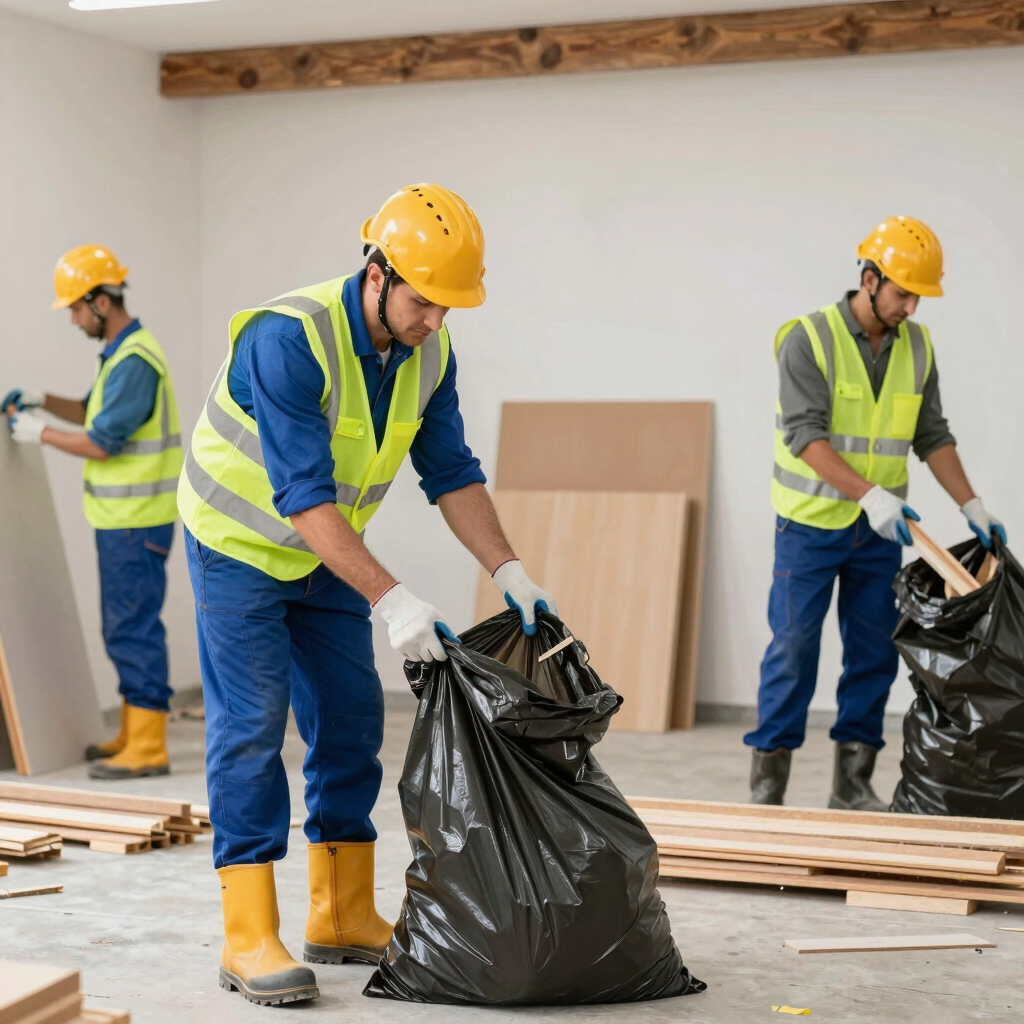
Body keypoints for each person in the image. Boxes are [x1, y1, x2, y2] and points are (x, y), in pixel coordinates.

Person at [177, 184, 557, 1006]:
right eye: (425, 302)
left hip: (324, 556)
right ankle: (247, 932)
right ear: (376, 273)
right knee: (251, 729)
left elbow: (451, 474)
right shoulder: (288, 340)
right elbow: (303, 494)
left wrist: (509, 570)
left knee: (350, 720)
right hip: (239, 544)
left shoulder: (429, 354)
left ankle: (341, 913)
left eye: (451, 308)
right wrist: (390, 596)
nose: (436, 323)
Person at [746, 216, 1005, 810]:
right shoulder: (807, 339)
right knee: (793, 650)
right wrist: (869, 494)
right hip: (809, 526)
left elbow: (931, 433)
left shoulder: (917, 346)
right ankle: (767, 789)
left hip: (880, 533)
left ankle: (852, 785)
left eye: (918, 295)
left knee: (874, 653)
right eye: (902, 292)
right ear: (869, 278)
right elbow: (805, 436)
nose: (912, 307)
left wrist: (971, 502)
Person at [3, 245, 182, 780]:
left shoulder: (133, 361)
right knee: (123, 625)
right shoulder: (121, 354)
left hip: (135, 521)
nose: (74, 318)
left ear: (102, 300)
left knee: (131, 628)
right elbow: (92, 410)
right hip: (125, 522)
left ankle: (148, 746)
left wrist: (40, 434)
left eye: (77, 308)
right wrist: (43, 400)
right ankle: (133, 729)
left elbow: (103, 442)